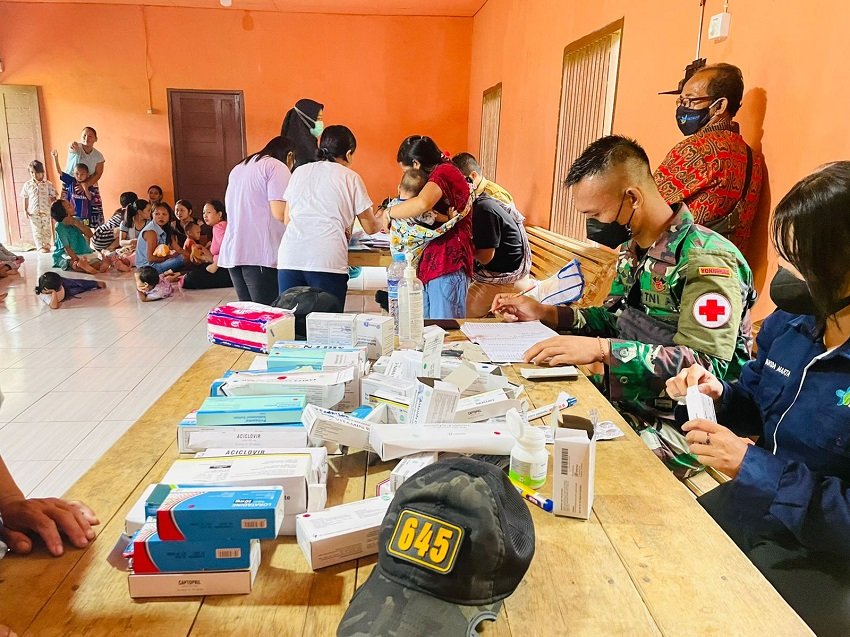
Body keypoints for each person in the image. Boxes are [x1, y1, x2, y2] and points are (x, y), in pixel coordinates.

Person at [492, 135, 756, 477]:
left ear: (632, 198)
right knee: (524, 430)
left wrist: (603, 350)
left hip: (684, 425)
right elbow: (615, 319)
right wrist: (547, 313)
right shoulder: (633, 252)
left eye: (596, 214)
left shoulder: (706, 260)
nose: (593, 226)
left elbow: (706, 367)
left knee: (572, 468)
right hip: (630, 399)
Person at [665, 162, 850, 637]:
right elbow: (755, 399)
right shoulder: (793, 325)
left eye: (805, 259)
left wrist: (755, 469)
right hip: (757, 504)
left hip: (825, 554)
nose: (791, 275)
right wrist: (717, 394)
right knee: (662, 553)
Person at [654, 63, 764, 252]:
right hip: (728, 265)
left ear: (720, 106)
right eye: (681, 101)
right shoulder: (753, 159)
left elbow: (646, 204)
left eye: (690, 101)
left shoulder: (698, 149)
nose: (683, 108)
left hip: (685, 265)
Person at [277, 125, 384, 307]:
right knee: (326, 322)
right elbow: (371, 227)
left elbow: (288, 220)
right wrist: (387, 214)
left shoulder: (299, 171)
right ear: (349, 154)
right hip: (326, 259)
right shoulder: (350, 177)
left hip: (290, 257)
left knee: (290, 321)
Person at [389, 136, 473, 319]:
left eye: (406, 171)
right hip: (433, 264)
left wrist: (389, 213)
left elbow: (422, 204)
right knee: (428, 327)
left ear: (416, 164)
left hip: (447, 263)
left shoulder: (444, 172)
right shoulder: (440, 171)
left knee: (444, 328)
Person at [452, 153, 531, 317]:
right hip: (494, 271)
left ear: (471, 179)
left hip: (506, 277)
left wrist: (461, 247)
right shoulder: (479, 202)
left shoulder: (485, 206)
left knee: (456, 312)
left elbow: (486, 256)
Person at [220, 136, 296, 305]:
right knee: (267, 314)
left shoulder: (240, 166)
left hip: (234, 251)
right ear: (290, 156)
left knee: (250, 314)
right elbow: (279, 213)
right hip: (260, 254)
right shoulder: (277, 166)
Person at [386, 168, 467, 269]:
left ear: (399, 188)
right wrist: (448, 217)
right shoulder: (418, 210)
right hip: (412, 251)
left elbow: (386, 226)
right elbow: (435, 217)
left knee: (400, 273)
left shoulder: (392, 205)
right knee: (412, 271)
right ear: (421, 195)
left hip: (395, 250)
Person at [182, 200, 233, 289]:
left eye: (208, 212)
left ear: (219, 214)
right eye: (204, 213)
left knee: (190, 278)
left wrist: (215, 265)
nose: (205, 215)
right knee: (197, 269)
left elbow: (227, 248)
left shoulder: (219, 227)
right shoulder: (222, 226)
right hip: (226, 267)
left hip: (226, 269)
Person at [50, 200, 112, 274]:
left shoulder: (77, 219)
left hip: (81, 251)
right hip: (66, 254)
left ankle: (95, 267)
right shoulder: (60, 226)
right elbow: (67, 248)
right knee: (71, 263)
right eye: (69, 206)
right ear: (63, 212)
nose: (72, 206)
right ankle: (84, 267)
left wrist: (77, 223)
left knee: (95, 262)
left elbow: (90, 234)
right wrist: (76, 259)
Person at [64, 127, 104, 226]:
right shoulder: (77, 148)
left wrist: (86, 185)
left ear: (96, 139)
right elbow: (71, 146)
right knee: (67, 209)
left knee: (92, 212)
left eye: (90, 136)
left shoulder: (98, 156)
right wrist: (71, 144)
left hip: (89, 183)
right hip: (71, 183)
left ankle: (92, 232)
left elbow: (98, 174)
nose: (86, 138)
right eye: (84, 135)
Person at [19, 159, 58, 252]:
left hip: (46, 211)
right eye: (32, 172)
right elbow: (25, 197)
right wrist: (25, 210)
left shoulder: (48, 184)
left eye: (37, 172)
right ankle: (40, 246)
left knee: (46, 229)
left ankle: (47, 245)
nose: (34, 175)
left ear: (42, 172)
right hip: (33, 212)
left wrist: (55, 209)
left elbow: (53, 197)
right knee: (36, 230)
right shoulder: (27, 185)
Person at [135, 203, 186, 274]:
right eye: (157, 214)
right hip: (148, 268)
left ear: (169, 217)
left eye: (164, 214)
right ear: (152, 215)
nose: (161, 217)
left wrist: (192, 256)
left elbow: (179, 249)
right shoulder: (151, 232)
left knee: (184, 257)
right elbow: (150, 258)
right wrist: (168, 257)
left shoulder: (166, 229)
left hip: (158, 263)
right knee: (182, 258)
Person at [51, 149, 92, 225]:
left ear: (87, 174)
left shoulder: (89, 184)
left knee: (85, 230)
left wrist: (85, 187)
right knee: (73, 229)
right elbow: (59, 172)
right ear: (73, 173)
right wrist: (55, 158)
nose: (79, 176)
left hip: (85, 216)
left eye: (82, 174)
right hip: (71, 215)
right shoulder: (71, 181)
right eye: (77, 174)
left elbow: (89, 198)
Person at [280, 98, 324, 169]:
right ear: (307, 120)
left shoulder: (311, 143)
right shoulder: (300, 151)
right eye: (318, 119)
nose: (321, 123)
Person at [34, 271, 105, 309]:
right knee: (79, 289)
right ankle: (92, 286)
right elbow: (54, 306)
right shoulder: (45, 296)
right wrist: (53, 292)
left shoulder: (45, 282)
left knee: (78, 282)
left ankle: (95, 283)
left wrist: (60, 283)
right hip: (66, 294)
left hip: (64, 282)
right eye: (59, 287)